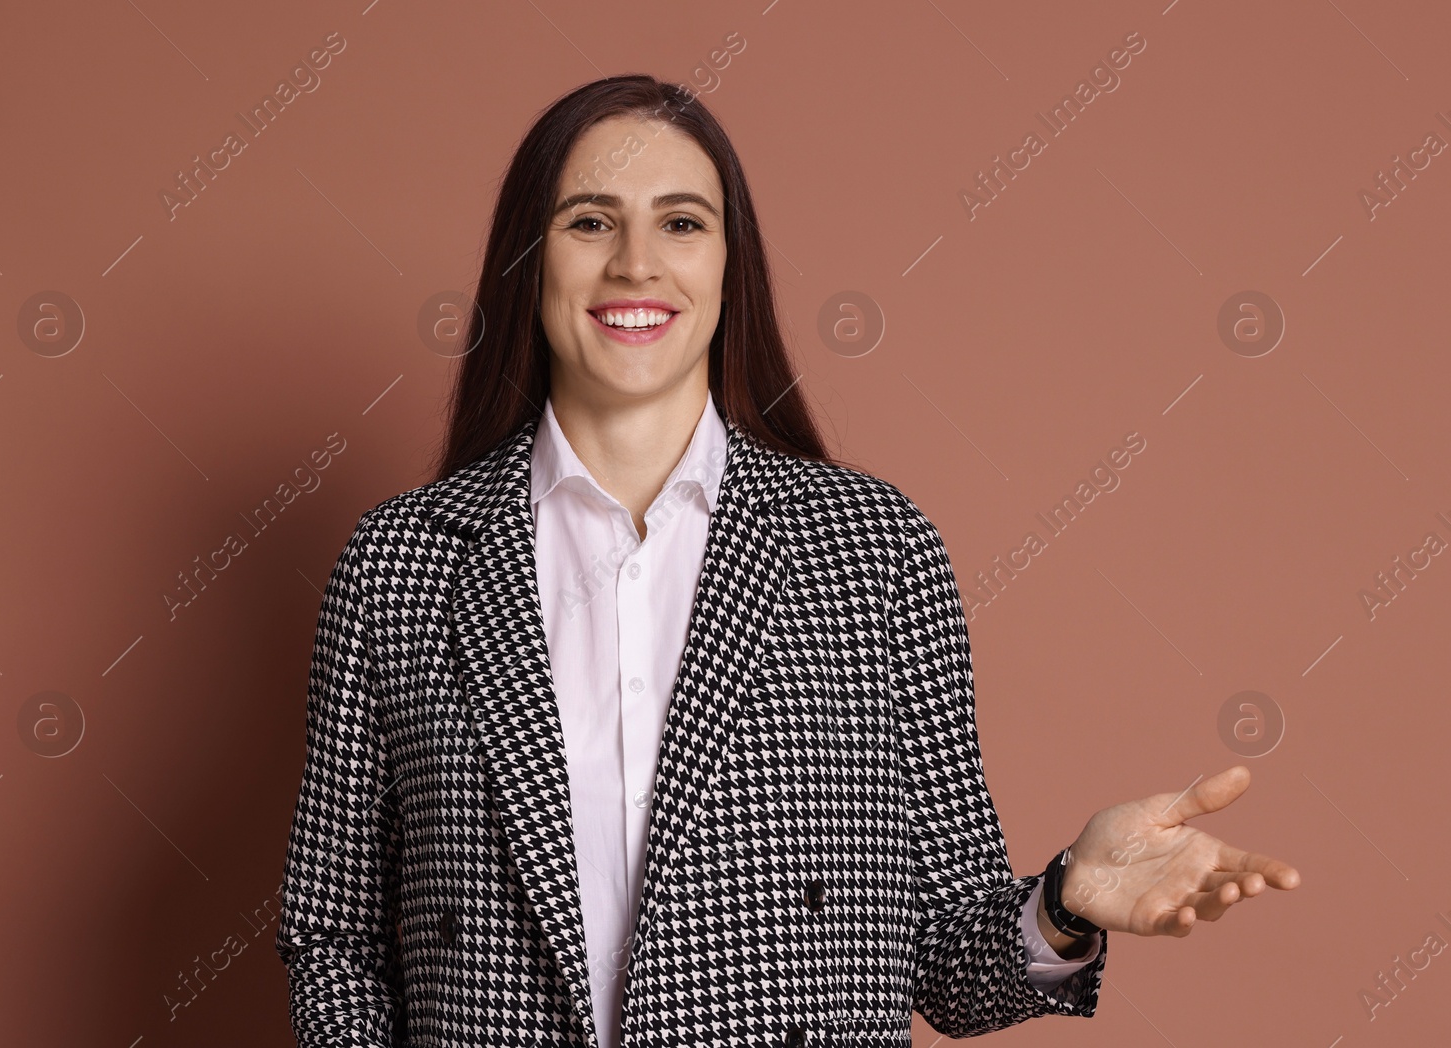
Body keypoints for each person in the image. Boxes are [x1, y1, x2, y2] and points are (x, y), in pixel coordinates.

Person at [275, 74, 1300, 1048]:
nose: (636, 262)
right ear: (527, 259)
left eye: (681, 222)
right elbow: (333, 937)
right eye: (590, 220)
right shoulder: (400, 562)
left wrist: (1067, 900)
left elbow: (946, 964)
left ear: (729, 265)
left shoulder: (872, 550)